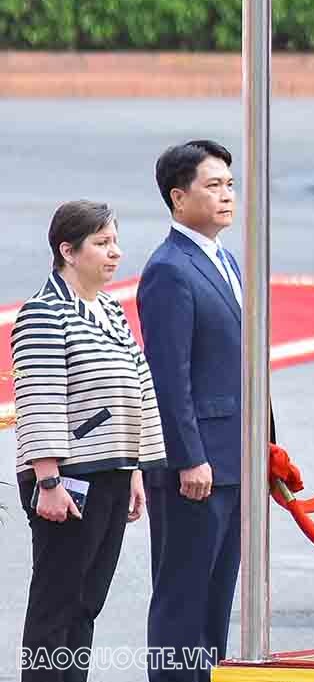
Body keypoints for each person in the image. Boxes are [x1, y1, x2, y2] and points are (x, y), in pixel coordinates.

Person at [14, 202, 165, 682]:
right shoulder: (44, 313)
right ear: (68, 251)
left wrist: (135, 467)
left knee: (86, 602)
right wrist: (49, 479)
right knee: (56, 603)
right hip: (68, 476)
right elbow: (39, 398)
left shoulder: (110, 310)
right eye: (102, 243)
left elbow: (137, 386)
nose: (115, 252)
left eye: (114, 241)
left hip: (112, 472)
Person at [139, 140, 246, 682]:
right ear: (179, 199)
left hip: (235, 459)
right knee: (183, 597)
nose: (227, 195)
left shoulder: (224, 259)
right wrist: (187, 458)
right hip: (195, 468)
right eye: (214, 185)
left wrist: (263, 444)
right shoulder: (169, 270)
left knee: (215, 600)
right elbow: (168, 377)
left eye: (229, 184)